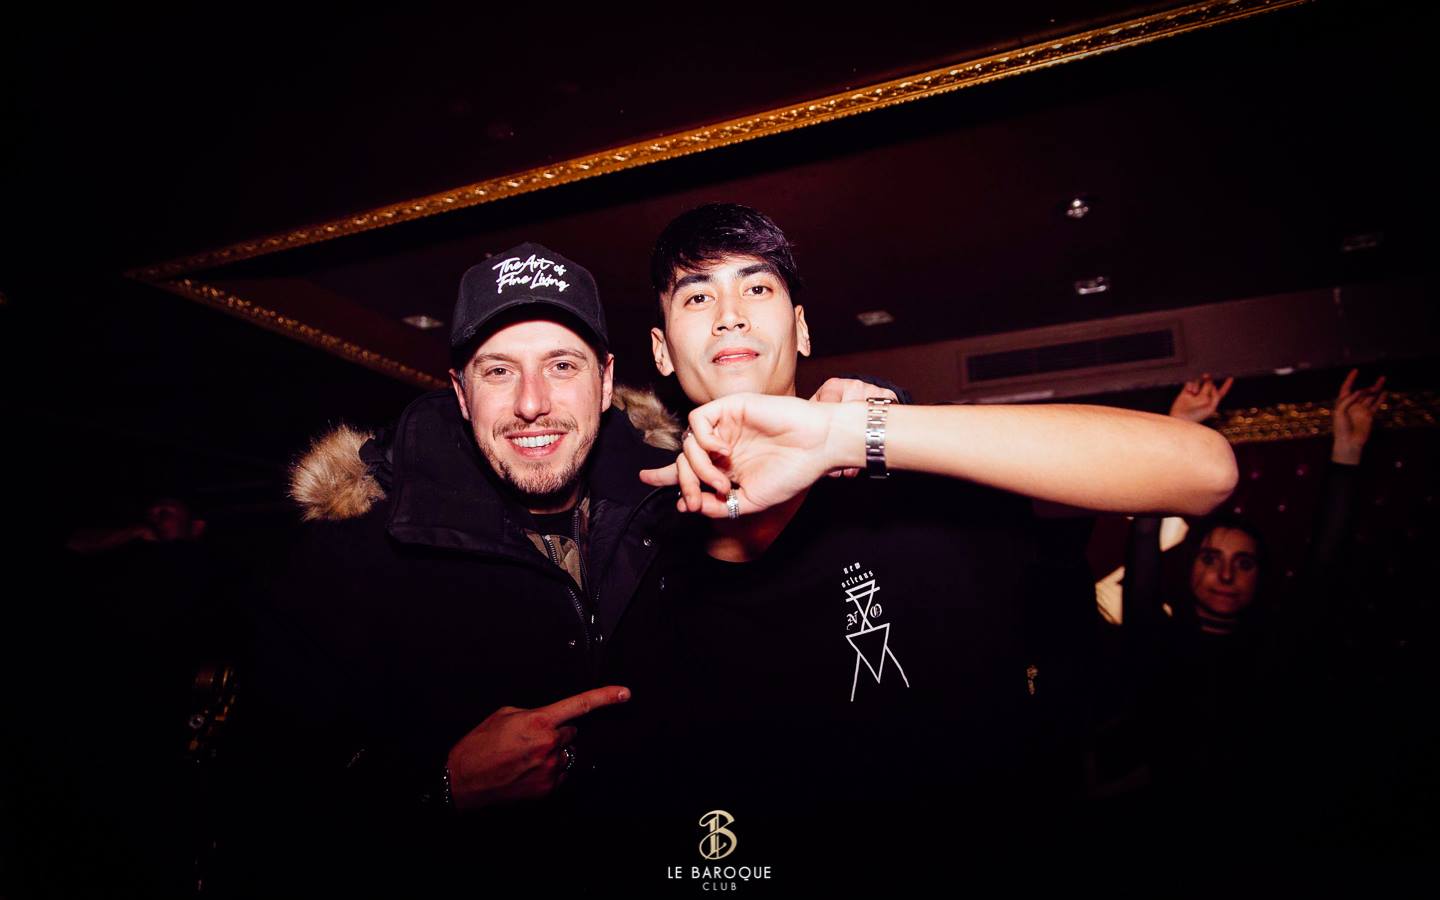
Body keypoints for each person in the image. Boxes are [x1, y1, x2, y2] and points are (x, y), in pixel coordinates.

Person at [594, 203, 1237, 883]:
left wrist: (852, 436)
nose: (730, 314)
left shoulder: (916, 483)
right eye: (698, 296)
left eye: (756, 287)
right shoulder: (635, 556)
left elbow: (1204, 471)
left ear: (802, 329)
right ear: (661, 349)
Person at [245, 241, 891, 892]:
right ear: (462, 393)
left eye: (561, 365)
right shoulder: (352, 557)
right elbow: (258, 806)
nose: (532, 403)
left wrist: (866, 423)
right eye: (499, 371)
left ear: (605, 381)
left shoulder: (677, 509)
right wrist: (441, 787)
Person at [1109, 369, 1385, 854]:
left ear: (1261, 576)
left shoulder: (1280, 645)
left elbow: (1327, 561)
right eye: (1211, 558)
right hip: (1163, 834)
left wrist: (1347, 450)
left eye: (1243, 563)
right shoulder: (1155, 636)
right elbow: (1145, 535)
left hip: (1266, 835)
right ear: (1191, 567)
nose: (1225, 575)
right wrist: (1177, 429)